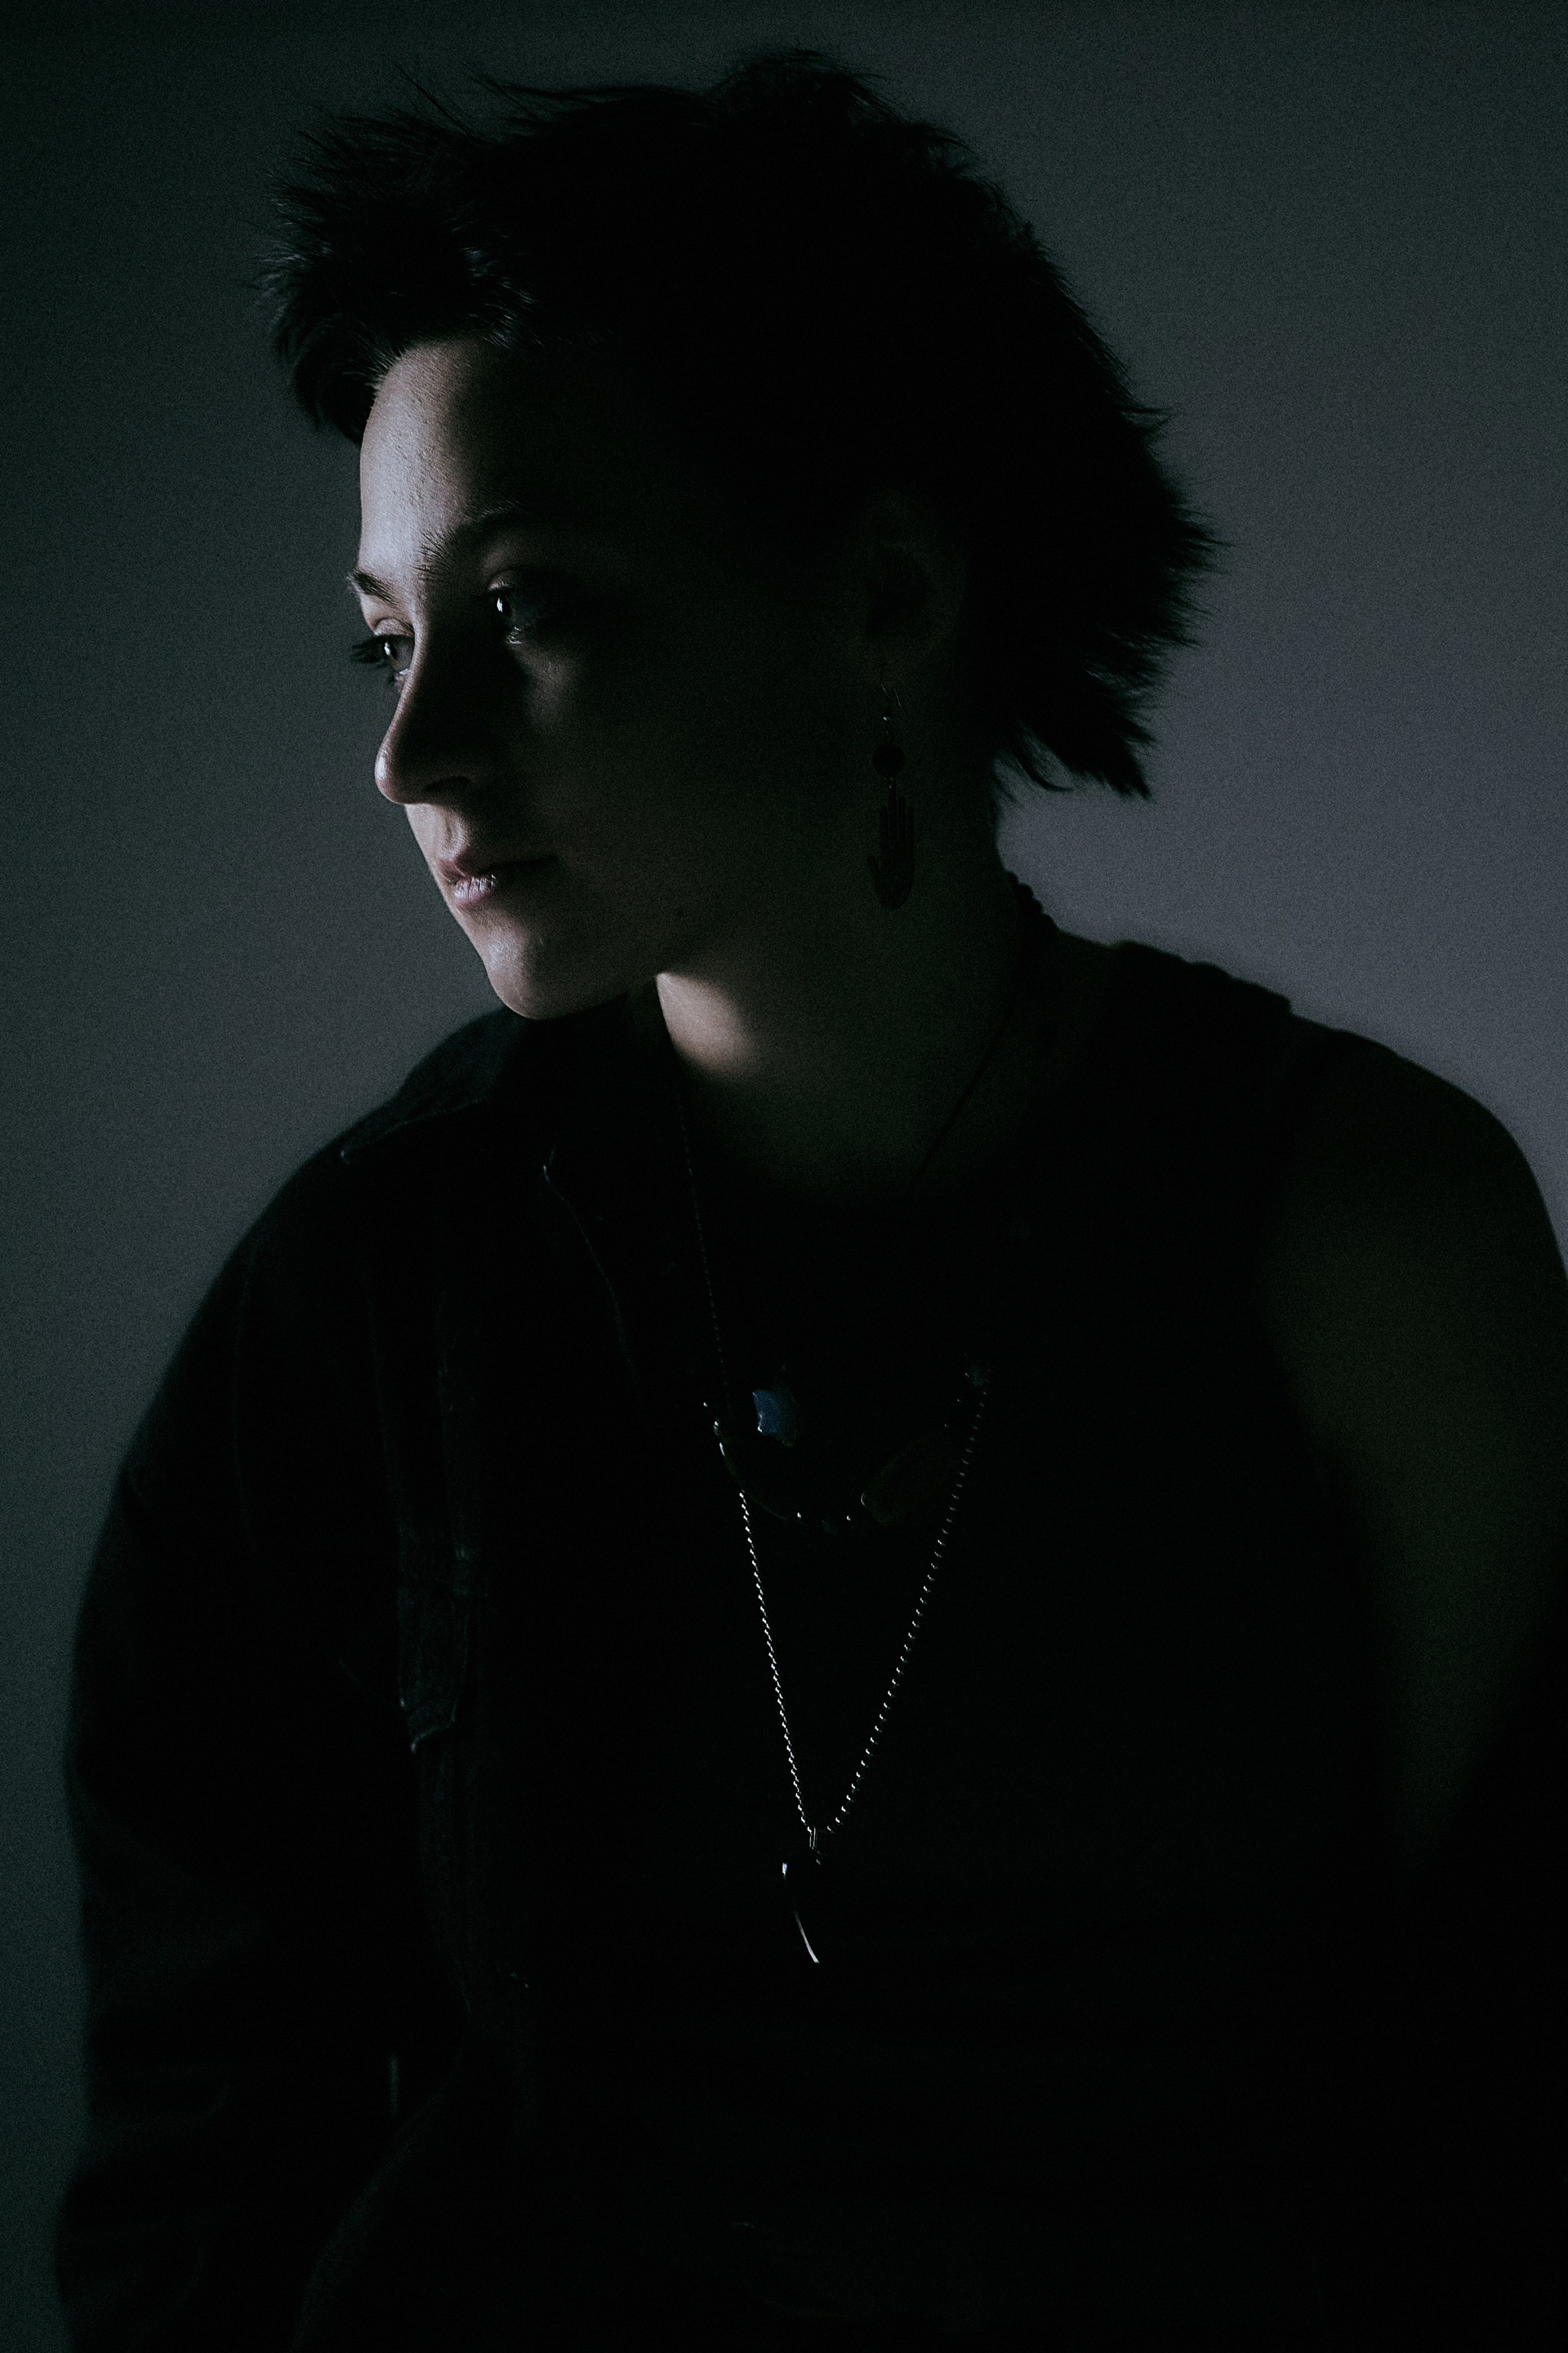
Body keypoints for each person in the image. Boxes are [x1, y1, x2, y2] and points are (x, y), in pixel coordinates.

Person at [56, 49, 1568, 2353]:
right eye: (386, 637)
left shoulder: (1366, 1240)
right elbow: (205, 2155)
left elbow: (1501, 2090)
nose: (410, 749)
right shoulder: (371, 1293)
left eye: (526, 607)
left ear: (884, 594)